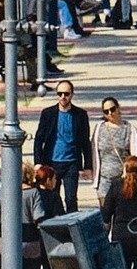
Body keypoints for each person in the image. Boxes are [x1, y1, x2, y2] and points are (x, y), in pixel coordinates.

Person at [31, 81, 94, 213]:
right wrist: (37, 162)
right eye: (60, 94)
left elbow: (85, 142)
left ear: (72, 95)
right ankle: (55, 225)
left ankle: (72, 227)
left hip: (71, 163)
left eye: (66, 94)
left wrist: (88, 166)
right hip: (51, 162)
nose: (63, 97)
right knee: (52, 197)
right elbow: (39, 138)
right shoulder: (48, 114)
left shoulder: (80, 115)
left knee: (71, 198)